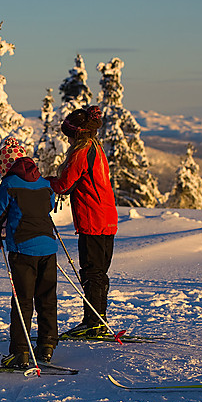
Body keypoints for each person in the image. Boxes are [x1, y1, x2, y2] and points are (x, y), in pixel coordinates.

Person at [0, 137, 59, 367]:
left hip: (23, 250)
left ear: (5, 165)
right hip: (48, 247)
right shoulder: (44, 184)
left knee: (22, 301)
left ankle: (20, 352)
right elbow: (49, 206)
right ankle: (47, 345)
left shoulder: (9, 184)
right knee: (47, 298)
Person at [48, 106, 118, 338]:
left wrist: (42, 182)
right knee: (99, 272)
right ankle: (97, 319)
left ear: (77, 134)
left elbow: (65, 184)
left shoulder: (81, 152)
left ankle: (94, 322)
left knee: (92, 271)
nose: (66, 139)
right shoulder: (96, 149)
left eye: (68, 134)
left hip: (93, 219)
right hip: (106, 217)